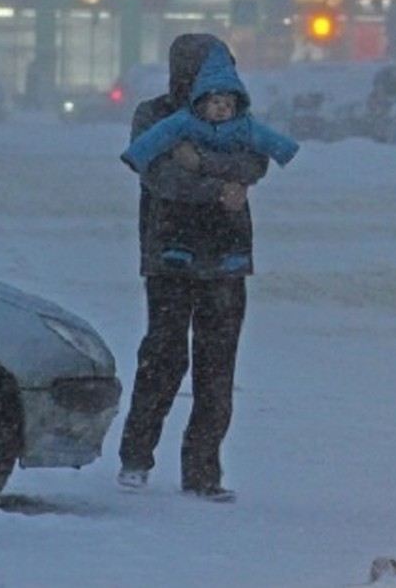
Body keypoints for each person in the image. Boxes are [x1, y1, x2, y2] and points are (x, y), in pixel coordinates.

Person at [116, 34, 272, 503]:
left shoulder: (234, 111)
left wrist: (201, 160)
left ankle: (203, 471)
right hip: (170, 256)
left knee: (217, 368)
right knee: (163, 358)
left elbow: (256, 159)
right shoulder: (155, 115)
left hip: (227, 259)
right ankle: (136, 458)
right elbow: (160, 174)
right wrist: (221, 184)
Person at [119, 40, 299, 178]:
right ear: (203, 102)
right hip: (178, 217)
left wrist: (285, 150)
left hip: (224, 220)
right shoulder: (180, 119)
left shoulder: (242, 124)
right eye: (216, 103)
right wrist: (137, 155)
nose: (222, 108)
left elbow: (263, 146)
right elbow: (158, 139)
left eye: (228, 105)